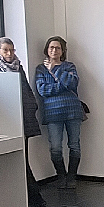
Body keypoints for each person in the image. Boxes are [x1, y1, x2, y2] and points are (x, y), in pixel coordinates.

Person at [0, 36, 45, 207]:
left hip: (21, 118)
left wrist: (32, 108)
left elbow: (25, 91)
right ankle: (32, 198)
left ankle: (31, 198)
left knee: (22, 159)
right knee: (16, 161)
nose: (9, 54)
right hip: (2, 120)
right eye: (5, 50)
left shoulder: (18, 66)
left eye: (12, 50)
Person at [35, 36, 84, 190]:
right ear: (47, 50)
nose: (54, 50)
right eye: (51, 47)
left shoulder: (69, 66)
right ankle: (61, 176)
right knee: (55, 147)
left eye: (57, 48)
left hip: (72, 111)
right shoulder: (40, 69)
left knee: (74, 145)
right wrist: (62, 86)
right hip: (52, 113)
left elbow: (73, 83)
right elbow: (43, 90)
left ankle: (72, 177)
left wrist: (55, 69)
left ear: (62, 51)